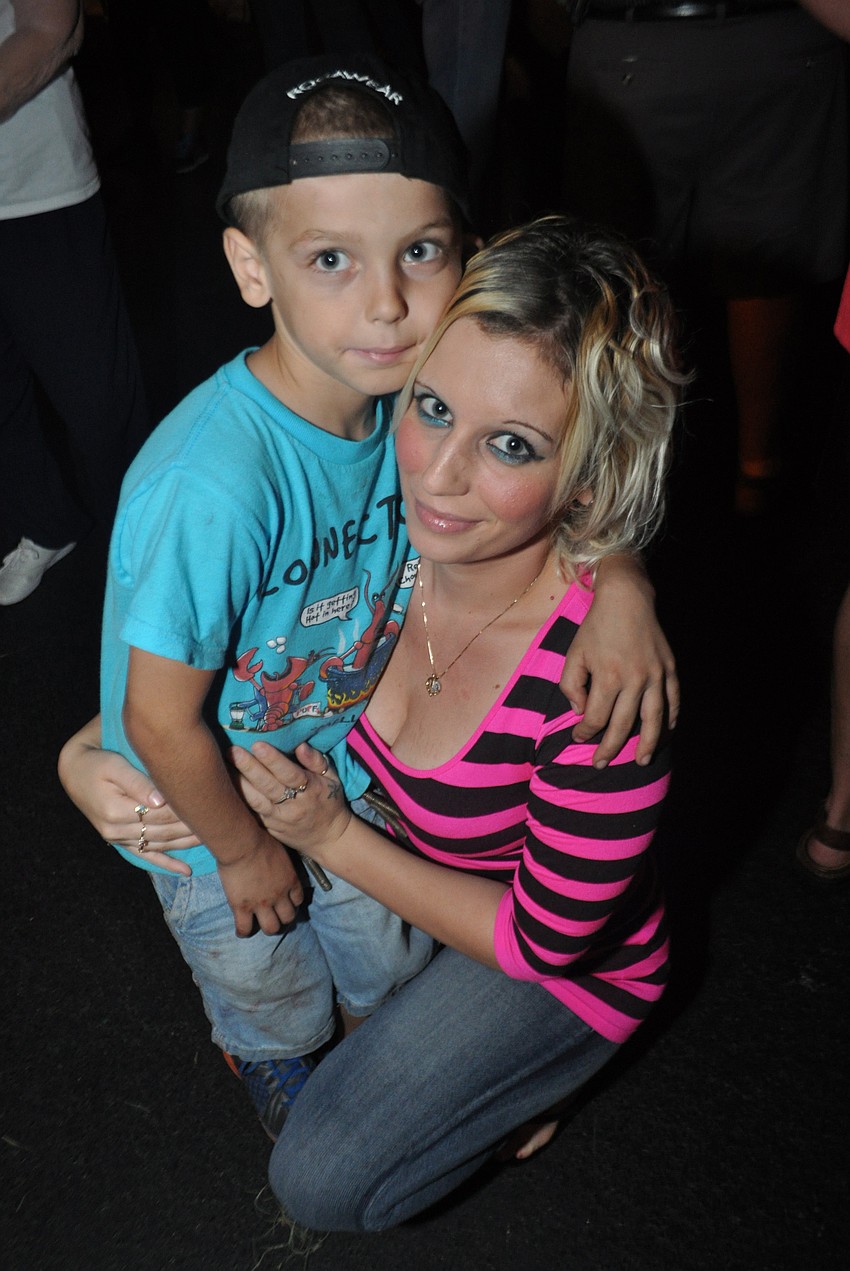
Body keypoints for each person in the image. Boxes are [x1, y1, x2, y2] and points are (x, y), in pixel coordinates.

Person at [59, 56, 678, 1143]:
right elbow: (160, 712)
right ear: (250, 266)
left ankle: (383, 1051)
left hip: (330, 766)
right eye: (331, 258)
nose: (386, 301)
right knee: (266, 982)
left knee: (381, 961)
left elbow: (589, 424)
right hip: (212, 819)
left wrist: (619, 571)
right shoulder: (215, 480)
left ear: (466, 256)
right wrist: (243, 848)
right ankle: (274, 1057)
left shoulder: (407, 404)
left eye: (420, 253)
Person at [218, 214, 685, 1231]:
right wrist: (94, 752)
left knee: (323, 1179)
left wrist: (329, 834)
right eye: (432, 406)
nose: (436, 474)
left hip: (555, 954)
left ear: (590, 478)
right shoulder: (369, 536)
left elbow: (541, 937)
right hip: (405, 878)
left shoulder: (602, 688)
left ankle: (544, 1074)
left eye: (510, 444)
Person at [560, 1, 847, 516]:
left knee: (621, 274)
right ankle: (754, 483)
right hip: (775, 43)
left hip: (641, 38)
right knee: (750, 265)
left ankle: (633, 482)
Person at [0, 0, 149, 605]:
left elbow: (52, 29)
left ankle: (152, 554)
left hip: (36, 191)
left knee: (97, 401)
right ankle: (48, 523)